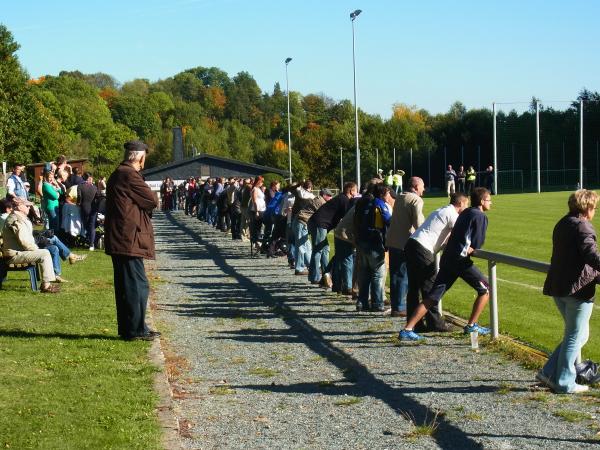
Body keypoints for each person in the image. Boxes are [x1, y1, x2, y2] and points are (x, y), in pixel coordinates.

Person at [400, 187, 493, 341]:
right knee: (486, 289)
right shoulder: (479, 216)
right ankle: (471, 326)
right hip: (460, 260)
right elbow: (477, 242)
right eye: (489, 200)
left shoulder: (464, 213)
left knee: (432, 296)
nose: (491, 203)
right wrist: (471, 248)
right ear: (482, 201)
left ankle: (407, 329)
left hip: (447, 258)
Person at [537, 190, 600, 394]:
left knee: (578, 334)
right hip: (577, 290)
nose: (595, 211)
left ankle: (548, 372)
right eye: (594, 208)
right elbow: (591, 255)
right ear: (587, 207)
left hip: (559, 286)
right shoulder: (583, 226)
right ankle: (564, 382)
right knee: (576, 335)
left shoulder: (563, 223)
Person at [105, 140, 160, 341]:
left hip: (123, 238)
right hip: (128, 239)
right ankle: (135, 330)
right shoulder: (128, 175)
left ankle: (135, 327)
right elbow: (152, 200)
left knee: (130, 284)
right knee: (136, 285)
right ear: (140, 156)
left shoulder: (120, 173)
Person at [404, 193, 469, 332]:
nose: (467, 207)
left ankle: (416, 324)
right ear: (461, 203)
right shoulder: (452, 214)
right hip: (423, 248)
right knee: (431, 287)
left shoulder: (441, 210)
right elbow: (458, 236)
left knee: (414, 287)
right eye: (467, 204)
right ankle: (436, 324)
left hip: (412, 244)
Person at [386, 177, 426, 318]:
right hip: (405, 243)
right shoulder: (415, 200)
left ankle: (396, 306)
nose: (424, 189)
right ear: (415, 187)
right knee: (404, 276)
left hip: (393, 241)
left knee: (396, 275)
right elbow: (419, 224)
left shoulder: (400, 197)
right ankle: (400, 307)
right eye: (422, 187)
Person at [1, 197, 59, 293]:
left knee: (46, 251)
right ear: (19, 207)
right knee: (44, 253)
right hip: (14, 255)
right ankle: (46, 286)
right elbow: (25, 242)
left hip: (18, 252)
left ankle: (48, 283)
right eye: (27, 206)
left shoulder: (19, 218)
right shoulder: (16, 220)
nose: (29, 207)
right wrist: (36, 249)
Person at [308, 183, 358, 288]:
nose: (356, 193)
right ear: (350, 191)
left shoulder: (341, 198)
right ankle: (314, 276)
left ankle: (326, 274)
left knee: (325, 249)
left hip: (320, 223)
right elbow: (346, 216)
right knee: (318, 250)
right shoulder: (344, 200)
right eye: (355, 190)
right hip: (320, 224)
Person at [354, 183, 393, 312]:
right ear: (382, 194)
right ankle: (377, 304)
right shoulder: (379, 204)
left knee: (364, 274)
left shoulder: (363, 202)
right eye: (387, 193)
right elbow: (389, 220)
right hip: (374, 242)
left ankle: (362, 302)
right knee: (377, 274)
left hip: (361, 241)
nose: (389, 196)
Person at [77, 172, 98, 250]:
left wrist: (78, 203)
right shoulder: (95, 187)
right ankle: (91, 244)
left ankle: (89, 241)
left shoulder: (80, 186)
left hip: (84, 207)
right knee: (92, 226)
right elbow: (97, 197)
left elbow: (79, 197)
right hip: (93, 208)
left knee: (86, 225)